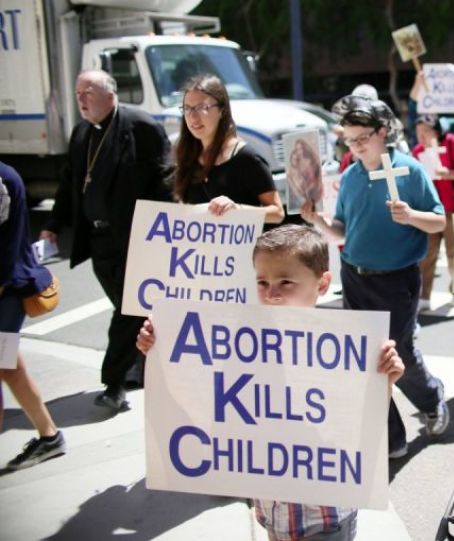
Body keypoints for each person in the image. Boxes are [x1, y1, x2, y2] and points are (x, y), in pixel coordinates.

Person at [137, 224, 404, 541]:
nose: (271, 293)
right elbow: (203, 391)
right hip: (271, 509)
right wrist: (161, 348)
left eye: (285, 282)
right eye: (262, 281)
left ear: (322, 284)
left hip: (325, 514)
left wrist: (385, 380)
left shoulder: (344, 347)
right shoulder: (243, 345)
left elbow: (364, 422)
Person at [300, 94, 449, 459]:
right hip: (354, 276)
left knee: (397, 353)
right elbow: (344, 232)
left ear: (383, 132)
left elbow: (439, 220)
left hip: (397, 278)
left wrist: (411, 215)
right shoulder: (350, 176)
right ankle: (392, 437)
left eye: (362, 138)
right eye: (349, 140)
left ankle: (431, 398)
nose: (355, 146)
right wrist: (318, 223)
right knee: (366, 358)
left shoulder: (409, 170)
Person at [40, 70, 172, 412]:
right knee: (126, 306)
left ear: (109, 93)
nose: (81, 99)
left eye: (87, 91)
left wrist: (168, 231)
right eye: (77, 92)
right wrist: (53, 223)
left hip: (136, 236)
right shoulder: (82, 132)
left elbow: (165, 182)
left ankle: (113, 383)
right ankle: (138, 366)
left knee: (130, 308)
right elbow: (70, 182)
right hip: (99, 240)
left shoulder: (140, 126)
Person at [0, 162, 67, 470]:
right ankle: (49, 435)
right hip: (10, 288)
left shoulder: (3, 179)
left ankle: (50, 436)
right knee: (8, 365)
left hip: (7, 290)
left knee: (3, 364)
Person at [175, 74, 284, 224]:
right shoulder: (188, 154)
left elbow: (277, 213)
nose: (193, 117)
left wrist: (237, 210)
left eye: (202, 108)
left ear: (222, 110)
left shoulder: (246, 157)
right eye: (187, 108)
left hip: (243, 247)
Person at [411, 113, 454, 309]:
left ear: (437, 131)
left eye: (426, 131)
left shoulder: (452, 143)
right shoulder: (418, 151)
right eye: (418, 132)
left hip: (453, 209)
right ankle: (424, 296)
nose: (422, 136)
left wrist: (449, 175)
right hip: (429, 211)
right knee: (426, 254)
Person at [287, 137, 323, 212]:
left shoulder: (311, 159)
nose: (299, 150)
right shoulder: (296, 163)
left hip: (314, 187)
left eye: (300, 148)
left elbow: (316, 173)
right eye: (297, 149)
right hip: (304, 190)